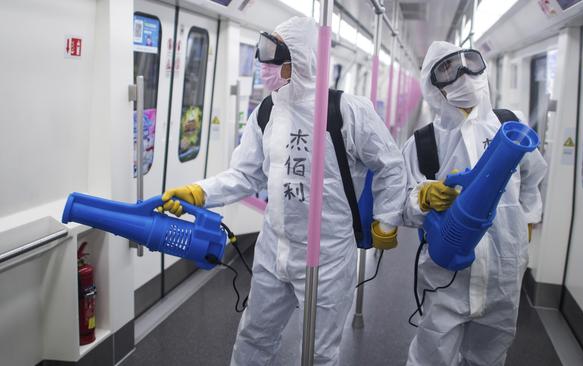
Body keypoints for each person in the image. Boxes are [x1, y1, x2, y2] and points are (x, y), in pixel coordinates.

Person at [160, 16, 406, 366]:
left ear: (302, 58)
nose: (264, 66)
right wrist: (198, 192)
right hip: (274, 250)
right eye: (261, 55)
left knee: (319, 353)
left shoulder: (346, 111)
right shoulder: (265, 112)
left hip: (328, 257)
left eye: (273, 57)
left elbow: (391, 164)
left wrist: (387, 217)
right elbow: (244, 176)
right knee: (253, 337)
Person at [401, 41, 547, 365]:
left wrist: (526, 222)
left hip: (503, 273)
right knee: (430, 358)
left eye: (470, 63)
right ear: (433, 84)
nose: (464, 74)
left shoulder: (509, 126)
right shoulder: (423, 142)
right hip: (445, 276)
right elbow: (402, 202)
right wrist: (422, 197)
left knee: (490, 357)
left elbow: (533, 179)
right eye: (449, 69)